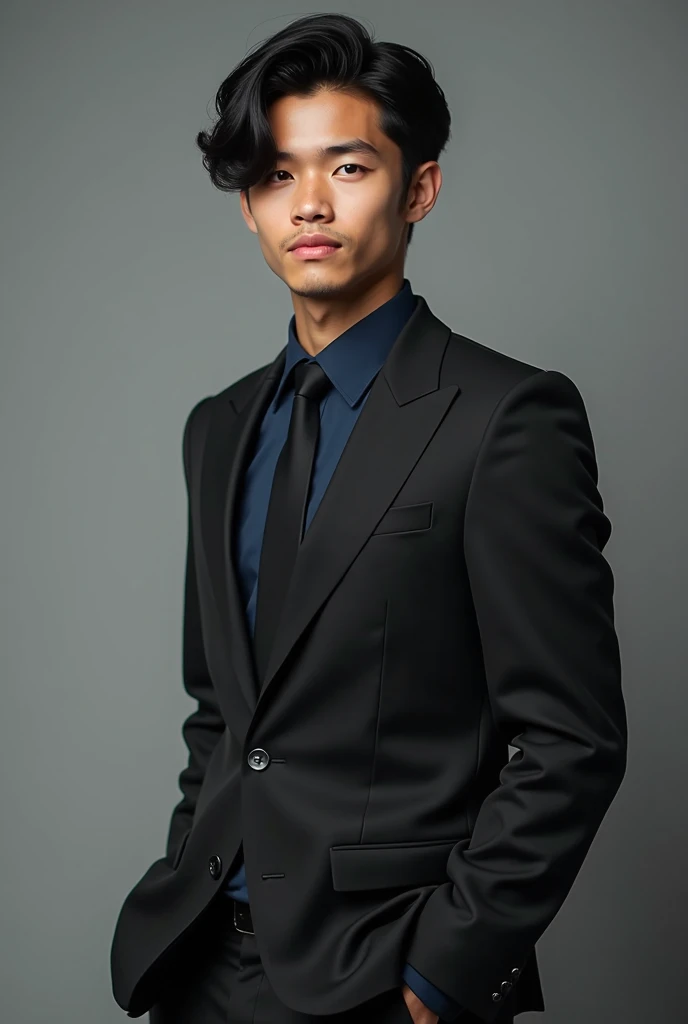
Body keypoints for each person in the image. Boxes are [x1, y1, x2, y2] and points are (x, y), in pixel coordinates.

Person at [109, 13, 627, 1024]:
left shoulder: (504, 418)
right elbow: (222, 711)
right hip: (202, 963)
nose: (308, 204)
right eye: (273, 177)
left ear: (418, 186)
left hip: (384, 973)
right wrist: (188, 865)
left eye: (346, 168)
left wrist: (443, 972)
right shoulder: (217, 428)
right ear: (248, 211)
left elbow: (572, 736)